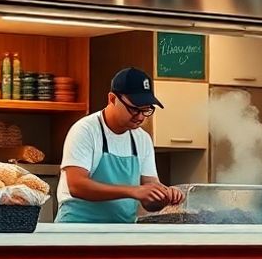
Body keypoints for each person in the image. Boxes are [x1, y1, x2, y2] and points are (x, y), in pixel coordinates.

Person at [56, 67, 186, 223]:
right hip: (77, 230)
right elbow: (77, 186)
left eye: (146, 110)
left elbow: (149, 197)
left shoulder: (142, 139)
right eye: (133, 109)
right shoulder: (86, 130)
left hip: (121, 231)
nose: (140, 116)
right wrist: (134, 191)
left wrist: (165, 195)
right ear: (112, 99)